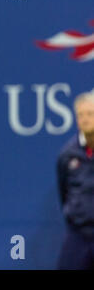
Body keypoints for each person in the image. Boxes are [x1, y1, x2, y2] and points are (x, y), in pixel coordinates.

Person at [56, 91, 94, 270]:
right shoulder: (68, 154)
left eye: (90, 114)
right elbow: (63, 191)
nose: (85, 119)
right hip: (79, 234)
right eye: (80, 115)